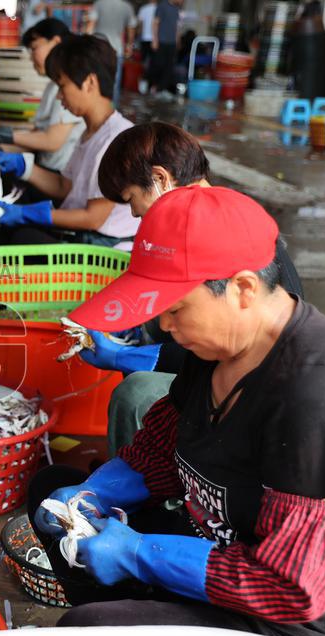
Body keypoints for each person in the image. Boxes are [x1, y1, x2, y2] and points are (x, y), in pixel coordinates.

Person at [27, 186, 325, 636]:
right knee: (52, 490)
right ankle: (131, 617)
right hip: (217, 548)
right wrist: (95, 492)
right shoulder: (217, 347)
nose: (164, 325)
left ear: (242, 289)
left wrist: (141, 554)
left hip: (290, 627)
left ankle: (122, 625)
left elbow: (291, 586)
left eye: (176, 309)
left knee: (87, 634)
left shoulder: (314, 395)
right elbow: (165, 444)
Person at [80, 122, 304, 454]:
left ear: (160, 179)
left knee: (137, 394)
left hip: (247, 379)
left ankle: (154, 474)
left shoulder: (218, 234)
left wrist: (142, 357)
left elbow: (238, 345)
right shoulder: (197, 221)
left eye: (132, 199)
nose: (135, 213)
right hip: (215, 362)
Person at [0, 35, 138, 250]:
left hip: (101, 246)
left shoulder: (115, 139)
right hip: (84, 234)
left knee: (22, 237)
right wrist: (24, 167)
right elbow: (64, 186)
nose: (59, 96)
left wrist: (26, 214)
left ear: (89, 83)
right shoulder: (91, 132)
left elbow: (92, 218)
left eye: (63, 86)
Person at [0, 19, 85, 176]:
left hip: (60, 175)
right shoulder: (52, 86)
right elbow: (35, 137)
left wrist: (0, 135)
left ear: (56, 42)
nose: (31, 58)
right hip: (47, 170)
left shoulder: (69, 86)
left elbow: (52, 141)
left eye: (34, 48)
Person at [84, 0, 137, 106]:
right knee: (114, 82)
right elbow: (131, 29)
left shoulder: (99, 3)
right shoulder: (127, 6)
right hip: (116, 49)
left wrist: (86, 43)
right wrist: (129, 46)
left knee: (95, 80)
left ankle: (95, 107)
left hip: (98, 48)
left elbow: (90, 25)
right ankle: (112, 109)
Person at [151, 0, 181, 95]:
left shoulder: (176, 9)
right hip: (162, 41)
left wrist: (177, 40)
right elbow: (155, 23)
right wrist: (155, 39)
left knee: (169, 67)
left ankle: (162, 89)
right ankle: (154, 86)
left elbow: (176, 26)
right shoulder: (162, 6)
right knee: (159, 64)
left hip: (171, 42)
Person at [136, 0, 158, 92]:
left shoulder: (143, 9)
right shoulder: (158, 9)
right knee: (154, 64)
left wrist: (138, 37)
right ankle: (150, 85)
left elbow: (140, 25)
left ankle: (142, 85)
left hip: (144, 39)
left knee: (143, 63)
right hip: (155, 40)